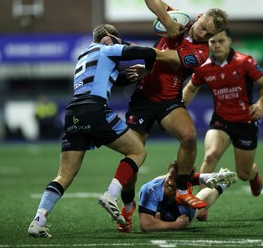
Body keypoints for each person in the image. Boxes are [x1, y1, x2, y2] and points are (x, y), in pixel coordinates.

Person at [27, 24, 171, 238]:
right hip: (94, 109)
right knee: (138, 151)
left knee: (64, 175)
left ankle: (38, 221)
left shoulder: (84, 55)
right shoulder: (107, 47)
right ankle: (111, 195)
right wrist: (147, 69)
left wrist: (128, 76)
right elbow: (148, 52)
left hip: (73, 112)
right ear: (108, 38)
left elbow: (107, 77)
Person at [114, 0, 229, 233]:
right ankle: (127, 205)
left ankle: (183, 189)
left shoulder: (201, 53)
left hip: (169, 100)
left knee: (188, 136)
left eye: (209, 34)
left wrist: (137, 51)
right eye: (203, 27)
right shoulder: (180, 19)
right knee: (134, 156)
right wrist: (168, 23)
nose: (203, 34)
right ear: (199, 18)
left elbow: (163, 55)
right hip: (143, 99)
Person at [183, 29, 263, 221]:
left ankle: (253, 173)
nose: (216, 45)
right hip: (221, 120)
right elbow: (191, 88)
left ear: (229, 41)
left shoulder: (244, 62)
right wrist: (179, 110)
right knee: (210, 156)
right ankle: (202, 203)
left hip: (245, 122)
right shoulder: (204, 67)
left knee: (243, 173)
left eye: (221, 41)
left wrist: (260, 104)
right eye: (212, 41)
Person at [138, 160, 237, 232]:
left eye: (175, 180)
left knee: (199, 206)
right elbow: (146, 224)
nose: (171, 182)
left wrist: (177, 223)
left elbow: (150, 225)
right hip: (166, 201)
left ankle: (222, 185)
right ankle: (210, 178)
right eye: (169, 177)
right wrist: (176, 224)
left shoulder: (185, 206)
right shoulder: (151, 189)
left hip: (179, 209)